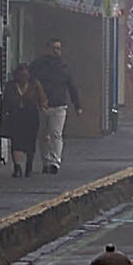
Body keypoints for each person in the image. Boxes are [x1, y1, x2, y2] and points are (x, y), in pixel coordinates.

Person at [30, 40, 81, 172]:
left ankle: (54, 162)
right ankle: (46, 161)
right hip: (42, 105)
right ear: (46, 49)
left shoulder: (64, 67)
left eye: (58, 49)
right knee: (42, 135)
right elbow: (31, 83)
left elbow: (71, 86)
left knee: (55, 134)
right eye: (53, 48)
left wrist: (77, 105)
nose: (55, 51)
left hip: (59, 105)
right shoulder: (37, 65)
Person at [0, 63, 44, 176]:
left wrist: (43, 107)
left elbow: (42, 98)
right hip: (16, 116)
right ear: (16, 75)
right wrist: (3, 115)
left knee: (30, 142)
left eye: (25, 74)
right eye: (21, 75)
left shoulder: (35, 84)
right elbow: (5, 101)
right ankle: (17, 167)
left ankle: (29, 166)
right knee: (16, 142)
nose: (23, 77)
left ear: (29, 75)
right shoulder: (11, 86)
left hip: (31, 117)